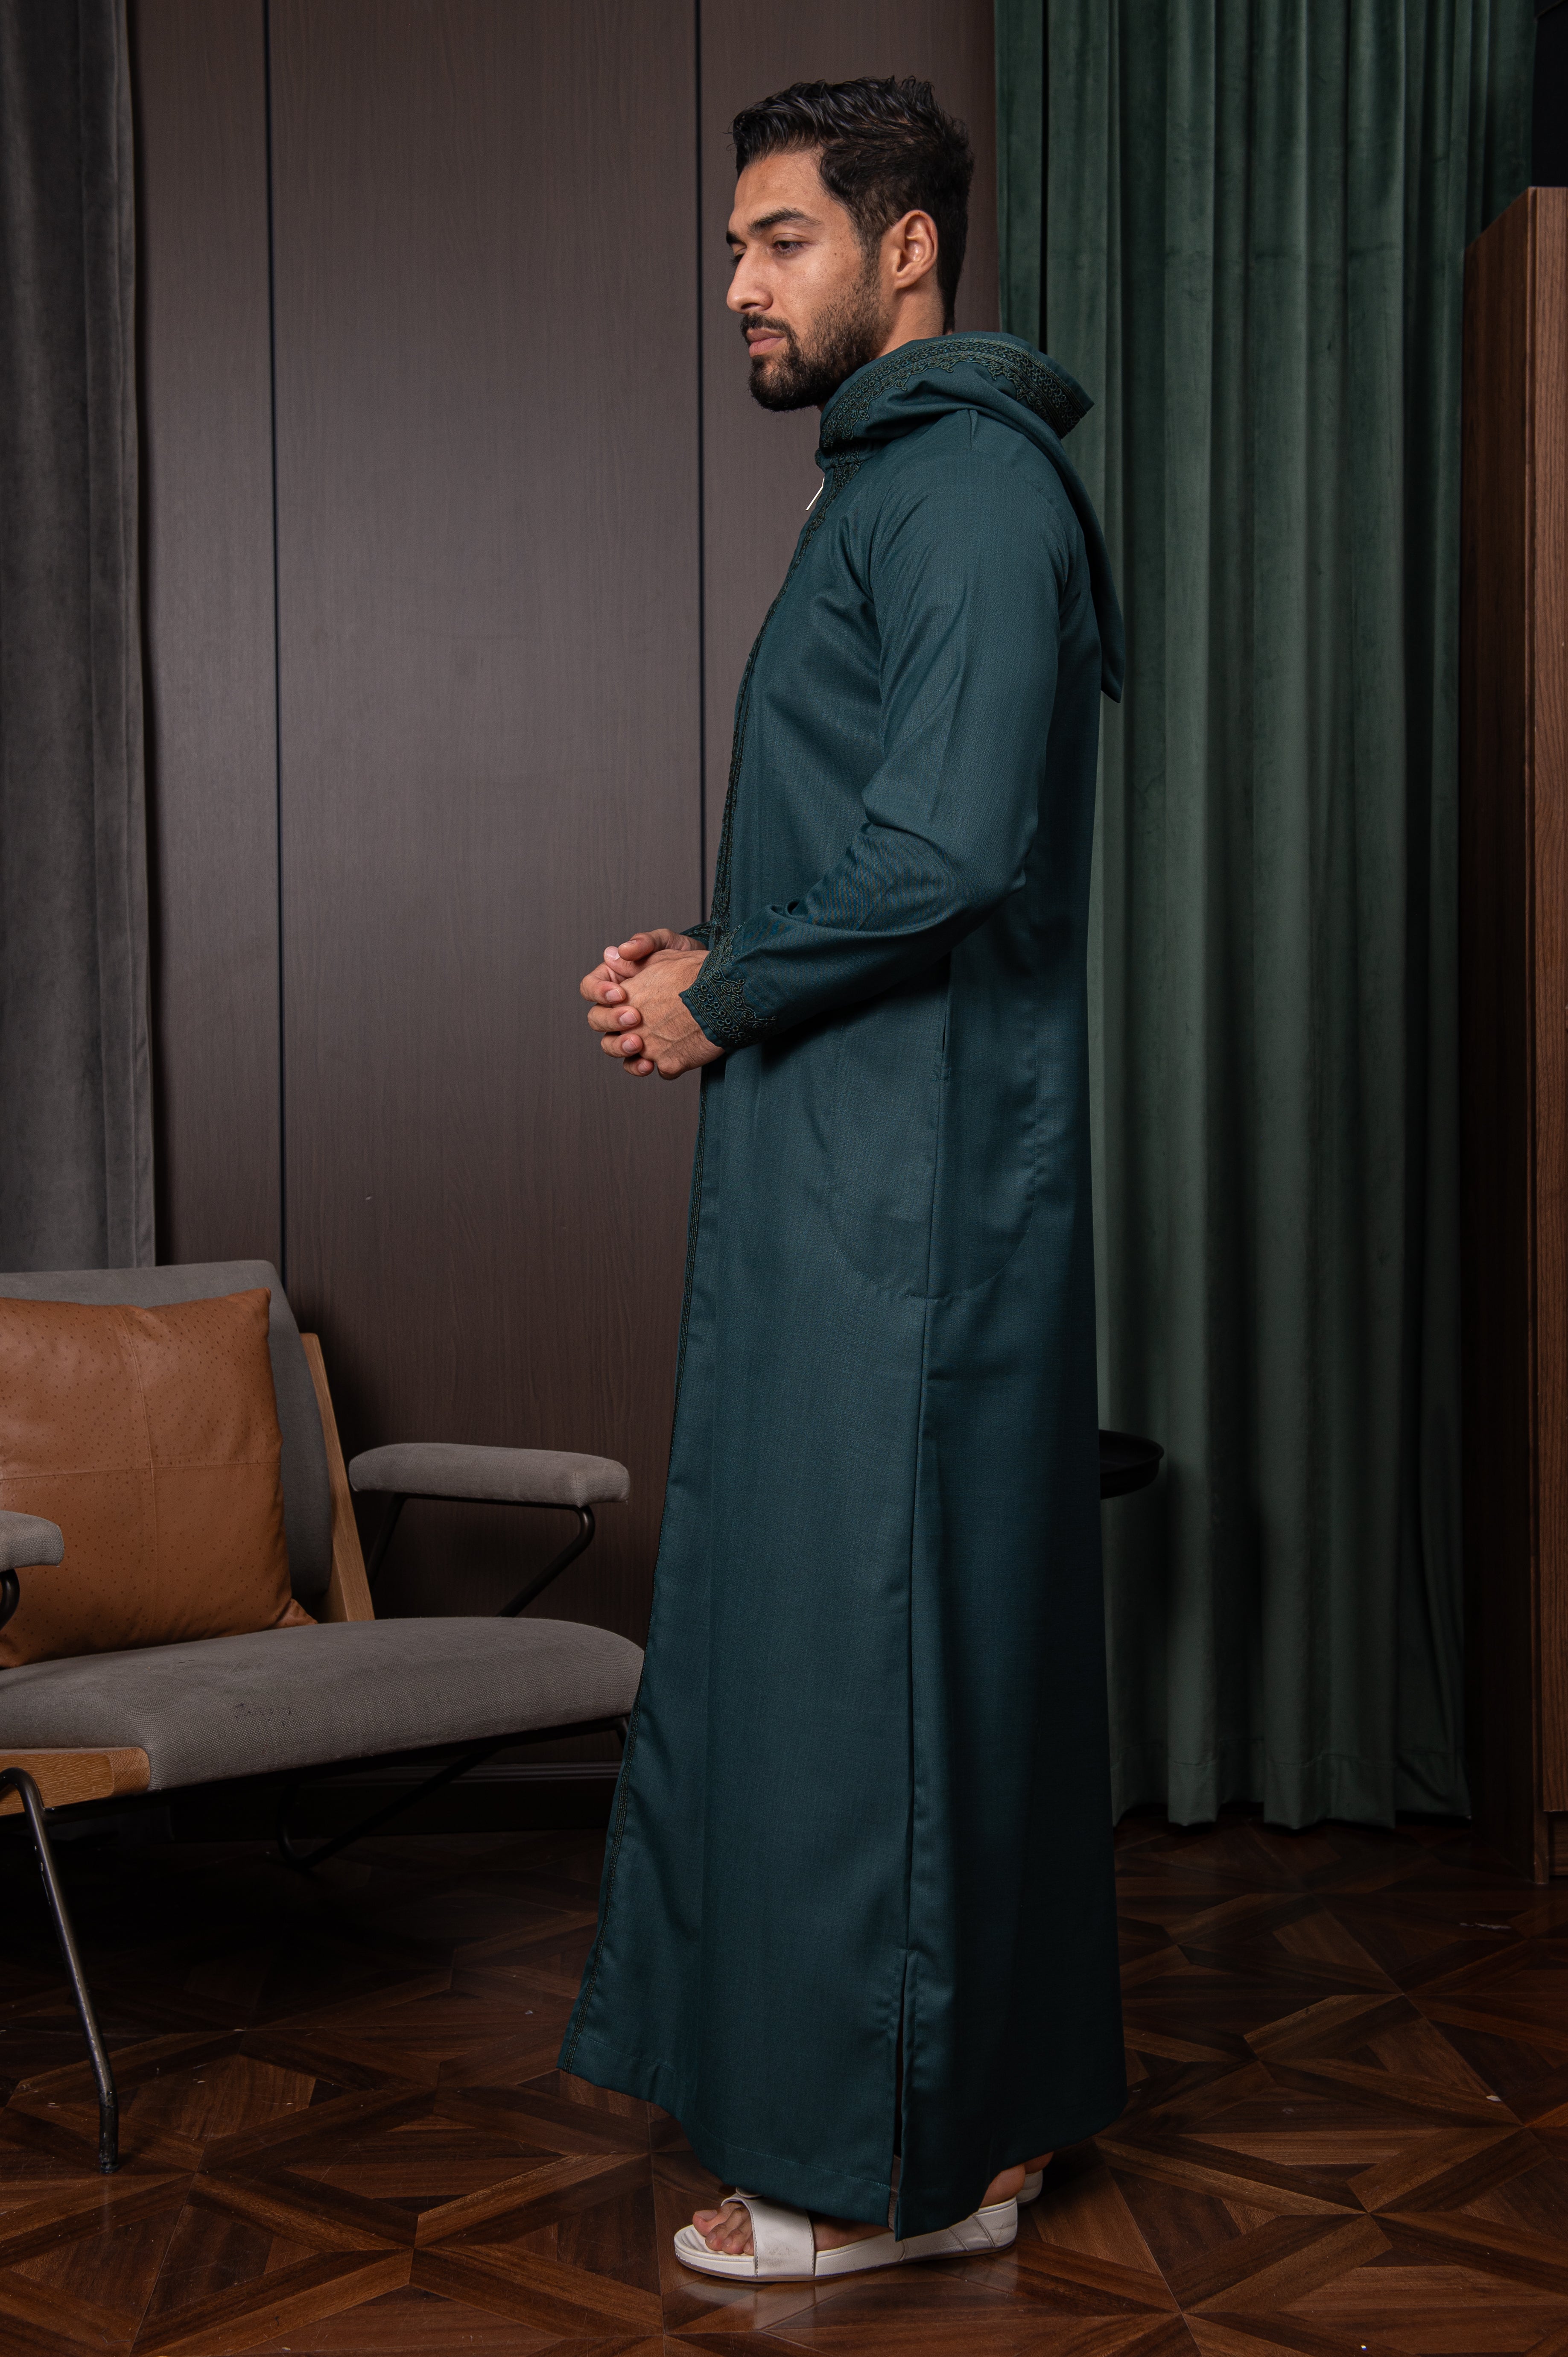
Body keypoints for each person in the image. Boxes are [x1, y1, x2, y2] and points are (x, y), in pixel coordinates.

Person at [564, 75, 1126, 2283]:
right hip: (858, 1172)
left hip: (909, 1206)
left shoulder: (965, 488)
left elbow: (954, 846)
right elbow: (869, 837)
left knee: (869, 1660)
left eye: (778, 238)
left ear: (907, 250)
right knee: (887, 1647)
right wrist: (706, 951)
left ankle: (857, 2176)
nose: (737, 281)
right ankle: (964, 2144)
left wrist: (727, 989)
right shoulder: (895, 482)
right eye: (733, 243)